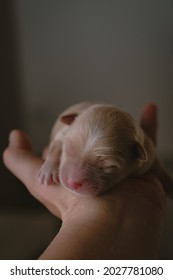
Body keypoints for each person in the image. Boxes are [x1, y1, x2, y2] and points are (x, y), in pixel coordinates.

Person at [3, 103, 166, 259]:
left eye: (106, 166)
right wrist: (51, 161)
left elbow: (156, 165)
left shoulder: (146, 154)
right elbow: (60, 139)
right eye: (70, 149)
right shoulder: (73, 126)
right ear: (70, 122)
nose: (73, 179)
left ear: (138, 156)